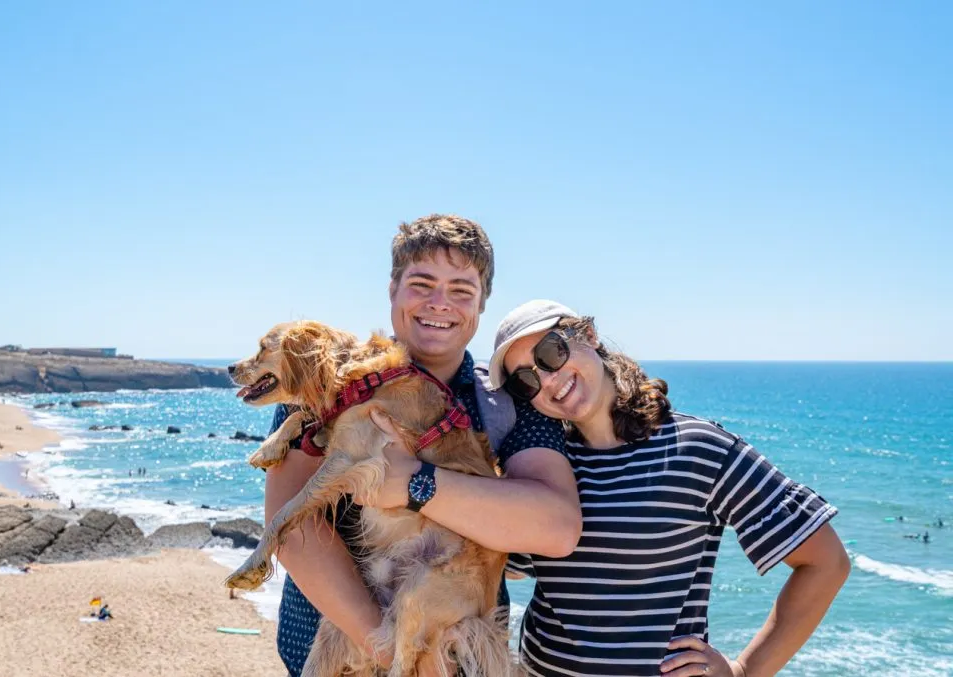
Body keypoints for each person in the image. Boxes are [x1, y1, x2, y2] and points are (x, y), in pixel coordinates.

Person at [263, 215, 579, 676]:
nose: (439, 304)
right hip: (338, 657)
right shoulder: (327, 389)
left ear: (481, 304)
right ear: (392, 288)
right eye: (422, 284)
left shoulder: (508, 403)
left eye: (461, 291)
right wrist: (393, 653)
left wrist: (417, 484)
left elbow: (554, 527)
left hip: (455, 656)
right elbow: (291, 530)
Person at [474, 299, 850, 677]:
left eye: (551, 352)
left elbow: (826, 562)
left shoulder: (698, 448)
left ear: (588, 335)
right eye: (526, 381)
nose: (548, 380)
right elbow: (517, 566)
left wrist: (742, 671)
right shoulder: (547, 469)